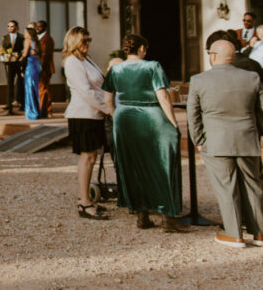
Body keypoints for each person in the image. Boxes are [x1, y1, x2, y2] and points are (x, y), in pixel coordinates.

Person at [103, 34, 184, 231]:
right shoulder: (152, 66)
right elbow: (163, 96)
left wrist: (118, 117)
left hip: (124, 118)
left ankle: (142, 215)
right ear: (141, 49)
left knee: (134, 165)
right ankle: (168, 218)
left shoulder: (115, 69)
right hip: (151, 115)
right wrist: (174, 123)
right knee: (161, 162)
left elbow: (107, 101)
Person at [188, 39, 263, 248]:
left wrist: (199, 141)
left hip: (216, 140)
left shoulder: (198, 80)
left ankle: (234, 234)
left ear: (213, 56)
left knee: (226, 187)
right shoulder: (252, 77)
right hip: (247, 138)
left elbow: (192, 114)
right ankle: (259, 233)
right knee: (253, 185)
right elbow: (261, 110)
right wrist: (259, 135)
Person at [61, 26, 110, 220]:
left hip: (94, 113)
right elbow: (85, 91)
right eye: (84, 40)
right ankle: (84, 201)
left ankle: (86, 199)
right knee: (87, 157)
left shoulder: (86, 59)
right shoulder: (72, 62)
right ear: (75, 42)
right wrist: (108, 108)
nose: (88, 44)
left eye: (88, 40)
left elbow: (99, 86)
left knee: (92, 157)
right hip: (83, 115)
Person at [0, 20, 26, 115]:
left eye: (12, 26)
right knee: (9, 83)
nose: (11, 28)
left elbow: (23, 49)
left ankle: (22, 103)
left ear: (17, 27)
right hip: (9, 64)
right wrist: (4, 55)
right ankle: (8, 104)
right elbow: (3, 50)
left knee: (21, 83)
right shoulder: (5, 38)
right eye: (9, 26)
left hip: (19, 63)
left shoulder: (21, 37)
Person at [35, 20, 55, 118]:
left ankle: (45, 110)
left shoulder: (46, 39)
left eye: (40, 26)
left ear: (45, 27)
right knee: (43, 89)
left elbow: (45, 55)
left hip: (44, 68)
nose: (37, 28)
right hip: (41, 67)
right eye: (36, 26)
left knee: (43, 89)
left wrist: (40, 68)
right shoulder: (40, 38)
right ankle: (45, 110)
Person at [22, 26, 41, 121]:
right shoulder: (36, 42)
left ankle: (31, 112)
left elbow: (25, 54)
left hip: (30, 67)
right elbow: (37, 53)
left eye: (25, 32)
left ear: (29, 34)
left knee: (29, 88)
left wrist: (20, 56)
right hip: (37, 66)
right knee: (35, 88)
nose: (24, 34)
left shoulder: (27, 41)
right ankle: (37, 110)